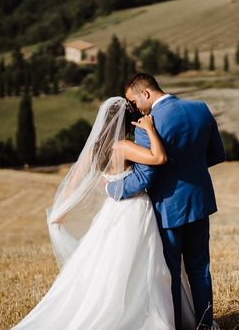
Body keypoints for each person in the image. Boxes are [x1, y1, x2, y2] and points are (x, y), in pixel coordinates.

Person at [12, 95, 197, 329]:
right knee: (145, 263)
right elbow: (159, 157)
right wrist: (150, 130)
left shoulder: (95, 150)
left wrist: (61, 211)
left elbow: (74, 182)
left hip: (112, 210)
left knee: (109, 262)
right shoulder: (123, 147)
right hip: (134, 209)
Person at [108, 73, 226, 330]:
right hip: (199, 200)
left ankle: (176, 325)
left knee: (170, 273)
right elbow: (217, 154)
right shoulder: (200, 109)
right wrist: (189, 168)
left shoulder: (146, 125)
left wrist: (112, 188)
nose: (134, 108)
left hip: (167, 206)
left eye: (134, 101)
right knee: (200, 268)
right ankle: (205, 325)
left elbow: (144, 177)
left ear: (146, 94)